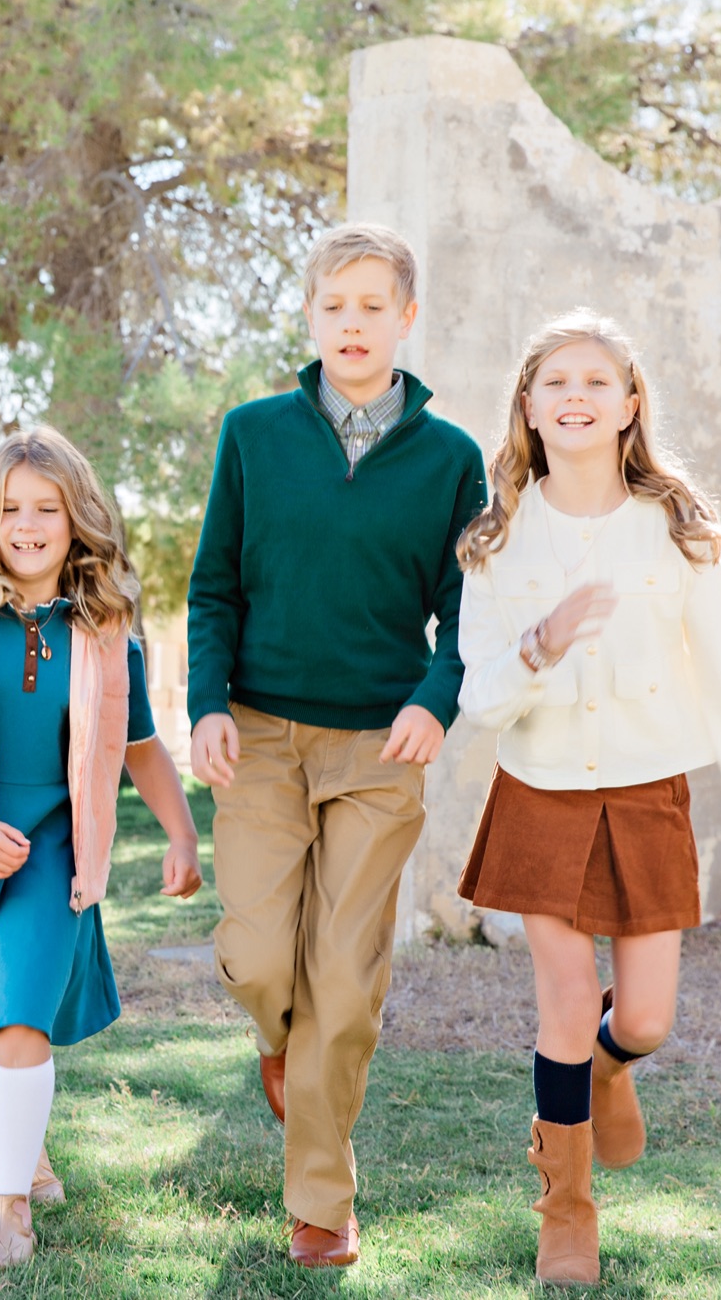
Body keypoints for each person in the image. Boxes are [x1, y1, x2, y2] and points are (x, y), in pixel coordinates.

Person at [454, 309, 721, 1286]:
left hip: (648, 794)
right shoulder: (494, 541)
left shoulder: (676, 533)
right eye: (554, 380)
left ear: (628, 406)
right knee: (564, 997)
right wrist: (538, 645)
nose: (573, 395)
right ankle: (565, 1209)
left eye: (595, 381)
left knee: (640, 1019)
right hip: (540, 793)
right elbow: (477, 698)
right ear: (526, 406)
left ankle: (608, 1070)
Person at [185, 222, 487, 1266]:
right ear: (308, 316)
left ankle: (321, 1203)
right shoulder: (252, 433)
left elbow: (466, 609)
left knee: (347, 986)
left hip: (378, 750)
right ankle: (277, 1044)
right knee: (262, 958)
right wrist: (204, 703)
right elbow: (212, 583)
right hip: (259, 735)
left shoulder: (451, 460)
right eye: (333, 305)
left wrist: (433, 697)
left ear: (405, 318)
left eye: (373, 305)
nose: (351, 323)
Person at [0, 426, 203, 1269]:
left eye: (46, 508)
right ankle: (27, 1148)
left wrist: (181, 830)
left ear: (78, 518)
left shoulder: (106, 624)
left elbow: (138, 744)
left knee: (21, 1013)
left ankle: (7, 1205)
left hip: (57, 846)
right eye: (9, 507)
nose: (26, 524)